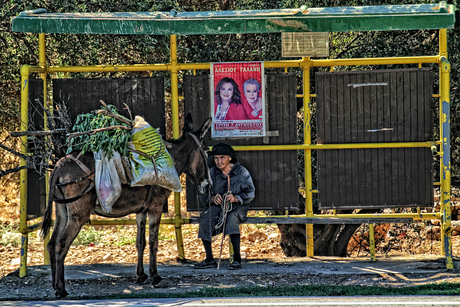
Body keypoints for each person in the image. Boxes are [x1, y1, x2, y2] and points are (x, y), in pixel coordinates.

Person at [195, 143, 255, 270]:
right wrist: (212, 198)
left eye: (222, 158)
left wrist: (235, 198)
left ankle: (237, 259)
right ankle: (209, 259)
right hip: (218, 206)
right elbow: (202, 192)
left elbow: (250, 193)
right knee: (206, 219)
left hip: (237, 207)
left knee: (232, 220)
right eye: (216, 158)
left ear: (230, 158)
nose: (218, 161)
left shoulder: (242, 172)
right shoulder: (211, 173)